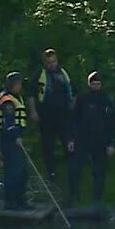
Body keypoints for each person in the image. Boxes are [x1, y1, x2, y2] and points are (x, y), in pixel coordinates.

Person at [67, 71, 115, 205]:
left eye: (98, 84)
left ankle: (97, 199)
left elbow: (112, 123)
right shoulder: (82, 99)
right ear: (89, 84)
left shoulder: (105, 100)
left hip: (101, 140)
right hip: (82, 139)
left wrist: (112, 143)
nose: (96, 86)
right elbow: (73, 120)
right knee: (74, 169)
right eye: (93, 84)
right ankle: (73, 196)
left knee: (99, 171)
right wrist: (71, 139)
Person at [31, 48, 74, 183]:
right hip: (46, 113)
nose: (52, 64)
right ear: (44, 62)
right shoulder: (39, 74)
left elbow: (73, 90)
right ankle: (51, 172)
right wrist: (33, 111)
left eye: (54, 61)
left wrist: (73, 105)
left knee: (68, 141)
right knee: (48, 144)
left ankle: (71, 171)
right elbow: (31, 94)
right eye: (49, 62)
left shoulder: (63, 73)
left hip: (63, 114)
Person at [0, 71, 31, 210]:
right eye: (19, 84)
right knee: (13, 172)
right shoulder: (7, 100)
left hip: (16, 138)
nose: (21, 86)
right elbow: (8, 122)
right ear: (13, 84)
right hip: (9, 140)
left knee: (22, 172)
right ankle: (10, 202)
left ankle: (20, 200)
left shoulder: (16, 97)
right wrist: (16, 137)